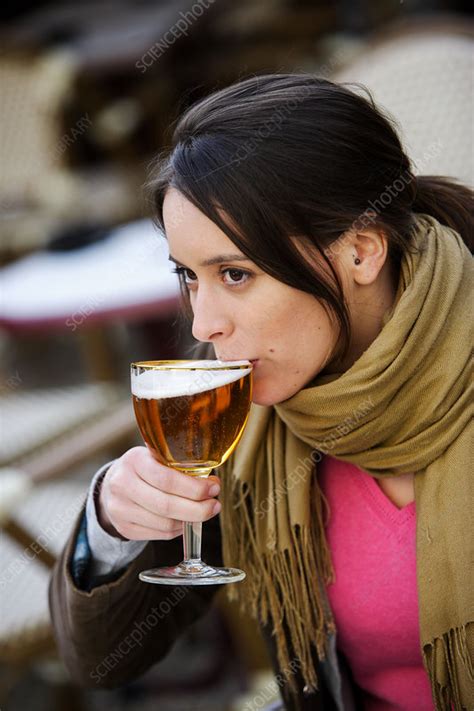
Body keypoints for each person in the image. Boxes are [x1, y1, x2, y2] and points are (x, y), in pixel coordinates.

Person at [48, 74, 473, 711]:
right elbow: (103, 659)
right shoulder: (238, 410)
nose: (203, 323)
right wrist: (113, 522)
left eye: (236, 273)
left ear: (361, 250)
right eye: (189, 277)